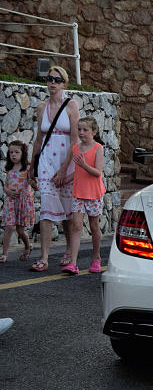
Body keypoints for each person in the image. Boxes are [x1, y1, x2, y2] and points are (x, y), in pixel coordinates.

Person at [30, 65, 79, 272]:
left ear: (64, 84)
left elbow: (75, 140)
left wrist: (66, 169)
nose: (52, 83)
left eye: (57, 80)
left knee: (67, 209)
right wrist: (32, 168)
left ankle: (69, 250)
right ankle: (44, 257)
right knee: (46, 210)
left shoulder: (71, 106)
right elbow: (39, 139)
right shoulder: (41, 107)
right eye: (49, 79)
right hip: (46, 162)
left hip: (65, 161)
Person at [61, 117, 107, 275]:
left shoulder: (98, 148)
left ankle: (96, 258)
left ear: (93, 132)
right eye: (79, 129)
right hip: (78, 193)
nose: (81, 132)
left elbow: (97, 173)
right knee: (76, 226)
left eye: (85, 130)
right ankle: (73, 263)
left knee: (94, 226)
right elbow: (78, 171)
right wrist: (65, 179)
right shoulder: (75, 148)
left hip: (93, 194)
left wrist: (84, 164)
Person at [2, 141, 36, 263]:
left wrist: (33, 183)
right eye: (11, 152)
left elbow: (34, 184)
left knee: (20, 230)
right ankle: (4, 254)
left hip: (23, 202)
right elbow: (5, 185)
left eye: (17, 152)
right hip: (11, 201)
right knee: (9, 227)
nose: (13, 155)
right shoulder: (9, 169)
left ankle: (28, 246)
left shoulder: (27, 168)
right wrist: (7, 191)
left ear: (23, 153)